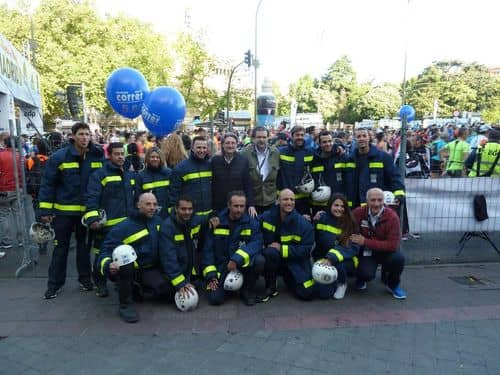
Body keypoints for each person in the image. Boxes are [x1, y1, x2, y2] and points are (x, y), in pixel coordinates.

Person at [38, 122, 105, 299]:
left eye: (87, 134)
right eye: (81, 134)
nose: (85, 137)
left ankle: (85, 280)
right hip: (63, 214)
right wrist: (45, 210)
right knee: (60, 249)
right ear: (73, 136)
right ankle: (54, 285)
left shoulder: (97, 156)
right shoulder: (60, 157)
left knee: (84, 249)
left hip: (86, 215)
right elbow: (48, 184)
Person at [98, 193, 168, 323]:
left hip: (151, 268)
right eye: (148, 204)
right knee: (123, 254)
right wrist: (108, 265)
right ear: (138, 205)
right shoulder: (124, 227)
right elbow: (105, 251)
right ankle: (125, 304)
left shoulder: (158, 221)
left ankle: (139, 289)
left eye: (154, 204)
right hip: (131, 270)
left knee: (166, 292)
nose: (152, 207)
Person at [259, 189, 333, 302]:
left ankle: (288, 278)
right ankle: (271, 286)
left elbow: (305, 250)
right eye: (285, 199)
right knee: (269, 253)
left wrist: (281, 248)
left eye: (292, 199)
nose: (289, 202)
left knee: (307, 293)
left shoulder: (303, 224)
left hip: (295, 262)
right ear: (278, 201)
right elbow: (252, 225)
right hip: (273, 259)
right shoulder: (267, 217)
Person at [84, 142, 136, 297]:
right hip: (106, 227)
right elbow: (92, 197)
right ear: (109, 155)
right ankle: (100, 283)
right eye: (117, 154)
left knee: (124, 255)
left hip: (126, 226)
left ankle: (121, 282)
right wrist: (93, 219)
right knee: (101, 255)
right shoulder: (100, 175)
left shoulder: (129, 174)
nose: (120, 157)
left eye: (122, 153)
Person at [201, 191, 264, 306]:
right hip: (222, 267)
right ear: (228, 205)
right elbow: (207, 251)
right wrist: (211, 276)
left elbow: (257, 243)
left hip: (243, 266)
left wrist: (236, 259)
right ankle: (230, 288)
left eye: (242, 206)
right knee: (215, 299)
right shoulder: (216, 222)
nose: (239, 210)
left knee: (259, 260)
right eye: (236, 206)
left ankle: (247, 289)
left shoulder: (251, 222)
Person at [351, 188, 406, 299]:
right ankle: (362, 277)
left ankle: (393, 285)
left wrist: (365, 241)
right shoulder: (358, 212)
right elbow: (344, 221)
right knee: (365, 274)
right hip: (367, 252)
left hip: (386, 251)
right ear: (367, 201)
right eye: (373, 200)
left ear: (384, 201)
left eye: (380, 200)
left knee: (399, 258)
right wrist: (322, 215)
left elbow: (392, 245)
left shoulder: (392, 217)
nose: (377, 204)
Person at [159, 195, 204, 307]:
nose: (187, 212)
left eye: (190, 209)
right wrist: (180, 283)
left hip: (189, 271)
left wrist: (214, 216)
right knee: (164, 292)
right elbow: (169, 258)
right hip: (175, 272)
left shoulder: (193, 220)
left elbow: (206, 218)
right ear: (176, 209)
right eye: (183, 209)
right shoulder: (167, 227)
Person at [313, 193, 360, 299]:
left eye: (342, 206)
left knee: (339, 263)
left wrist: (331, 258)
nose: (339, 209)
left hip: (346, 260)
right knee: (324, 294)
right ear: (330, 206)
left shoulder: (351, 223)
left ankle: (342, 283)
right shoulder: (321, 218)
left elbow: (352, 248)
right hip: (324, 259)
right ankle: (331, 282)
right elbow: (312, 237)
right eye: (336, 205)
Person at [345, 127, 406, 208]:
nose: (361, 139)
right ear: (354, 139)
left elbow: (394, 177)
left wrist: (399, 195)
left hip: (377, 207)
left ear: (369, 137)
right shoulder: (349, 159)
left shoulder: (383, 157)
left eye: (364, 136)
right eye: (358, 136)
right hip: (356, 207)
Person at [168, 136, 213, 222]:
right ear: (192, 148)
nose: (202, 150)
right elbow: (174, 194)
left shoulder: (210, 165)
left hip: (208, 216)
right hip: (189, 217)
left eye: (204, 148)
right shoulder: (181, 168)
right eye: (199, 147)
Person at [211, 133, 255, 216]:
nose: (230, 146)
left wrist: (251, 204)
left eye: (233, 143)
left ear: (236, 144)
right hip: (219, 205)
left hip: (238, 205)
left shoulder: (243, 161)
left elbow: (248, 184)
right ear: (222, 145)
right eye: (227, 143)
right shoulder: (215, 161)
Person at [241, 126, 280, 215]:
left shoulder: (276, 153)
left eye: (264, 137)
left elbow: (280, 176)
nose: (261, 140)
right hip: (252, 202)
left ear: (268, 138)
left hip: (271, 200)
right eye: (258, 137)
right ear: (253, 138)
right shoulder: (245, 153)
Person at [277, 126, 315, 216]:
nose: (300, 137)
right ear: (291, 136)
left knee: (303, 225)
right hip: (285, 198)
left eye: (302, 135)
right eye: (297, 135)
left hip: (303, 199)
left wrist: (338, 147)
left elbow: (323, 153)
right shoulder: (281, 152)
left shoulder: (310, 152)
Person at [310, 130, 347, 212]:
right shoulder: (314, 160)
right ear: (319, 144)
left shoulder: (341, 157)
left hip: (337, 204)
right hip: (319, 205)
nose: (328, 144)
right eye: (324, 142)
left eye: (330, 141)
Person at [26, 139, 50, 254]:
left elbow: (27, 174)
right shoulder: (50, 160)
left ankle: (40, 242)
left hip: (36, 193)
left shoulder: (31, 160)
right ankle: (46, 240)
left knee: (38, 218)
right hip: (47, 194)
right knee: (47, 217)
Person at [0, 137, 23, 251]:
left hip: (3, 189)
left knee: (3, 215)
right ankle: (21, 239)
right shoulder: (20, 155)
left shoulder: (1, 155)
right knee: (18, 214)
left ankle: (6, 240)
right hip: (17, 188)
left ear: (5, 144)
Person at [135, 147, 171, 219]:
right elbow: (137, 197)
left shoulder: (169, 173)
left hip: (167, 215)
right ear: (147, 158)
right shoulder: (140, 176)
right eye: (152, 157)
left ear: (161, 159)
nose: (155, 159)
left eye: (157, 157)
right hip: (148, 215)